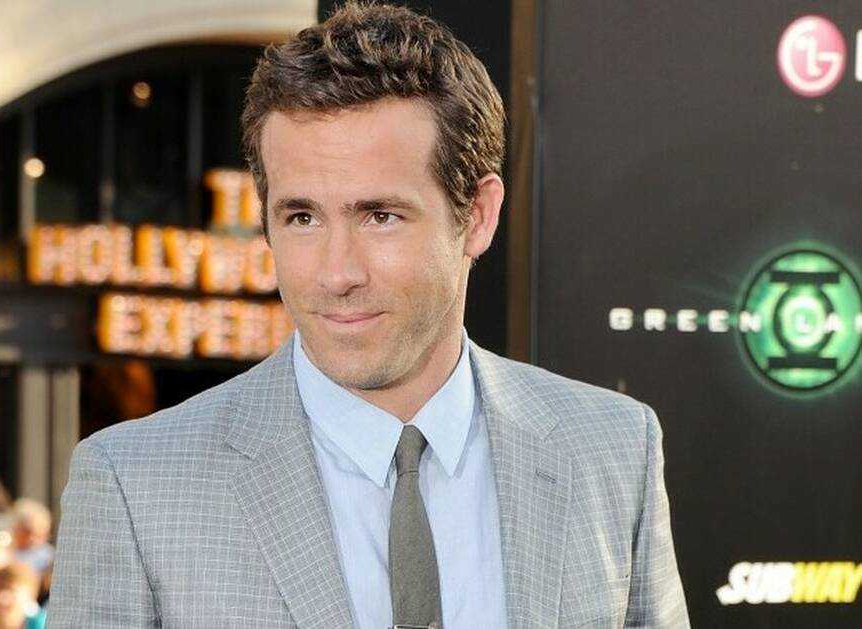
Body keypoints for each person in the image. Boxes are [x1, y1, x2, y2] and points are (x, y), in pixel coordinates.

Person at [48, 2, 689, 627]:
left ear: (478, 216)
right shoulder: (137, 485)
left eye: (380, 216)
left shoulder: (610, 449)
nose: (337, 274)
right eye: (302, 218)